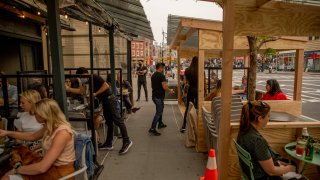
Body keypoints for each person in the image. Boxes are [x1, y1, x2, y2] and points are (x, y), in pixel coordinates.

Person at [0, 98, 75, 179]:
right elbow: (32, 136)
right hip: (50, 169)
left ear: (44, 114)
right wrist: (7, 132)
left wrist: (17, 170)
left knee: (6, 177)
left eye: (36, 113)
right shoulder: (50, 125)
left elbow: (42, 167)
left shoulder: (62, 133)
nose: (34, 114)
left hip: (59, 174)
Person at [67, 67, 132, 154]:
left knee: (118, 121)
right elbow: (82, 91)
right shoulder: (87, 81)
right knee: (109, 123)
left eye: (81, 76)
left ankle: (127, 141)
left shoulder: (94, 77)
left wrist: (95, 94)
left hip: (110, 100)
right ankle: (109, 143)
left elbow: (106, 85)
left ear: (85, 73)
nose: (81, 79)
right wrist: (68, 89)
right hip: (105, 101)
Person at [237, 101, 297, 179]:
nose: (269, 119)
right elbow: (272, 171)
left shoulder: (243, 132)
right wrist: (289, 168)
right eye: (268, 116)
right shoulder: (257, 140)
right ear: (260, 118)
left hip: (251, 174)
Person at [149, 63, 174, 136]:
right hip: (159, 97)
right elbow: (164, 87)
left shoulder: (153, 75)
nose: (163, 69)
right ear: (160, 68)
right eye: (163, 68)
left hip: (155, 95)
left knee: (161, 109)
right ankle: (152, 128)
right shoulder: (161, 75)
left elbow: (151, 86)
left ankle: (160, 123)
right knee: (159, 112)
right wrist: (170, 90)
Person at [181, 56, 198, 133]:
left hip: (191, 90)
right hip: (198, 90)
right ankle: (196, 126)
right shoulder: (200, 70)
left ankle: (184, 125)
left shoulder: (187, 70)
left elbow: (185, 82)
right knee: (198, 107)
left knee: (188, 107)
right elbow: (203, 82)